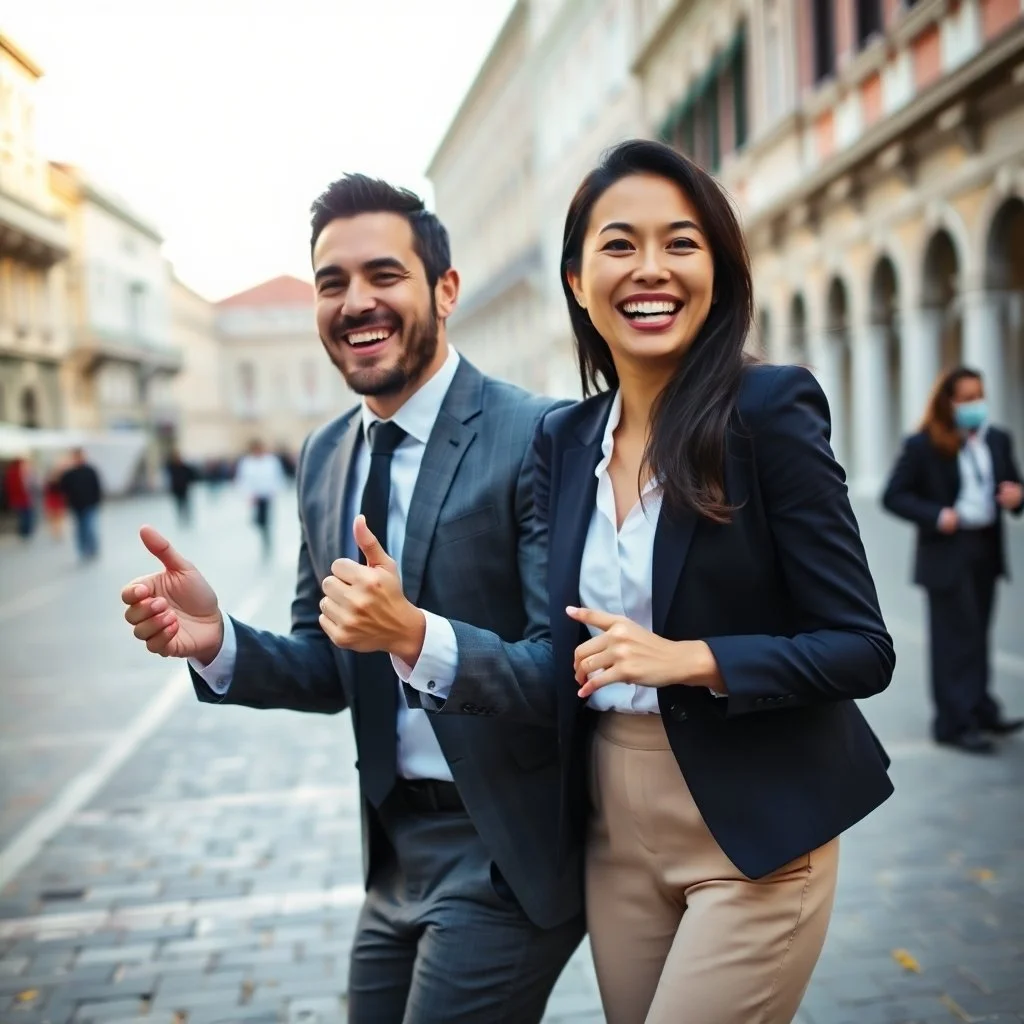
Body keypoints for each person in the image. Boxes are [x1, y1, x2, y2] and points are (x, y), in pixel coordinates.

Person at [421, 140, 897, 1024]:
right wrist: (409, 630)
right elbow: (543, 643)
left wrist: (689, 660)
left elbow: (863, 649)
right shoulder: (561, 443)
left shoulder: (769, 412)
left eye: (682, 243)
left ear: (717, 269)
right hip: (613, 831)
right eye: (619, 244)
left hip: (754, 826)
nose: (652, 269)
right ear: (575, 279)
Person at [119, 174, 583, 1023]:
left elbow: (568, 670)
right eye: (332, 283)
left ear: (445, 289)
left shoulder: (539, 434)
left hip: (506, 850)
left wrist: (415, 635)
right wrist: (218, 639)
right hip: (396, 851)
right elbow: (328, 666)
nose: (355, 302)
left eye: (383, 275)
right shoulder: (325, 454)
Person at [882, 366, 1023, 754]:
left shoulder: (997, 439)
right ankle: (953, 723)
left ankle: (980, 709)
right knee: (952, 642)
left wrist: (1016, 497)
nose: (975, 404)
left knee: (978, 635)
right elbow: (893, 495)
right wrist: (938, 515)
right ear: (947, 402)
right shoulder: (923, 444)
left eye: (979, 395)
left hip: (985, 548)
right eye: (966, 398)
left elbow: (1012, 486)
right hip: (946, 551)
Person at [234, 439, 284, 559]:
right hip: (255, 496)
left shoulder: (271, 461)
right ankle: (264, 534)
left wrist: (274, 491)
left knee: (266, 520)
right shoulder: (247, 462)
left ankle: (267, 541)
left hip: (267, 495)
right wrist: (248, 494)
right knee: (257, 520)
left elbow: (277, 477)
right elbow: (243, 479)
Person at [59, 448, 102, 560]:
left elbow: (97, 486)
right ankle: (82, 550)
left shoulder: (90, 470)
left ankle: (92, 549)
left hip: (89, 504)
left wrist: (96, 501)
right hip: (76, 505)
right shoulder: (69, 473)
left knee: (89, 527)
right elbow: (61, 487)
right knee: (80, 529)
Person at [3, 457, 36, 538]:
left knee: (23, 515)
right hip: (23, 498)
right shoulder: (19, 472)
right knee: (26, 515)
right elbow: (27, 486)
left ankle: (24, 532)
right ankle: (25, 532)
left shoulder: (10, 473)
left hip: (17, 498)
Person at [165, 450, 199, 527]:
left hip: (184, 490)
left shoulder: (184, 467)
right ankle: (181, 519)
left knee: (186, 505)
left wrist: (189, 482)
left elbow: (192, 476)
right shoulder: (171, 468)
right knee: (179, 505)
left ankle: (188, 519)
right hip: (177, 490)